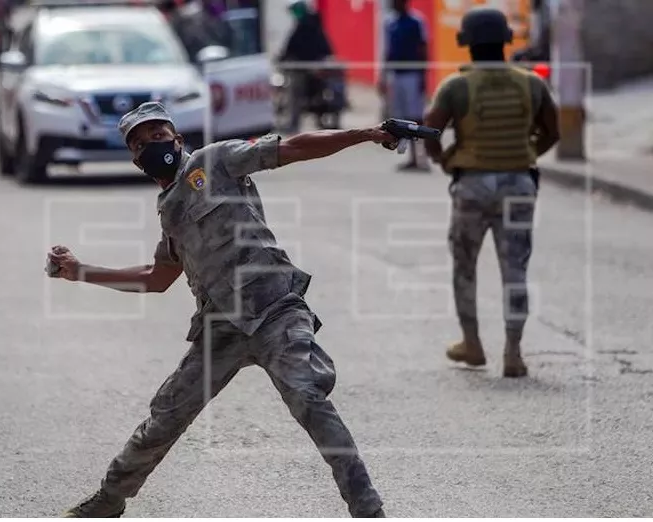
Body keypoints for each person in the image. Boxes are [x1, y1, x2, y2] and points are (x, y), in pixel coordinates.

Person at [48, 101, 408, 518]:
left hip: (275, 308)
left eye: (158, 135)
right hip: (220, 325)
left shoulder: (215, 161)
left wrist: (364, 134)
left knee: (309, 398)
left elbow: (292, 148)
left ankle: (369, 510)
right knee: (165, 415)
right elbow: (157, 277)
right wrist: (80, 272)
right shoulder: (169, 210)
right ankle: (109, 500)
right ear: (134, 158)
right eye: (140, 143)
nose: (151, 145)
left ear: (177, 140)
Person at [421, 6, 560, 378]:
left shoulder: (455, 86)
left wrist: (447, 160)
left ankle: (472, 344)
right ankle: (513, 353)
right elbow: (552, 131)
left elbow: (429, 131)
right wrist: (527, 154)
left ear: (466, 43)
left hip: (472, 185)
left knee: (464, 266)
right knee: (515, 269)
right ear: (504, 41)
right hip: (519, 183)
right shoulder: (531, 82)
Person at [378, 0, 429, 171]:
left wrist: (423, 75)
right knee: (402, 118)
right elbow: (388, 51)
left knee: (416, 116)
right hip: (397, 75)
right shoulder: (390, 23)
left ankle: (422, 156)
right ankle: (411, 157)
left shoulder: (416, 22)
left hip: (412, 74)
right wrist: (383, 76)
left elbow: (423, 49)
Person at [278, 0, 335, 133]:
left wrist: (284, 57)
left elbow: (292, 47)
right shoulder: (314, 23)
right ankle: (317, 121)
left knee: (295, 95)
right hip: (311, 65)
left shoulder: (305, 25)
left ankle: (294, 124)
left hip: (306, 68)